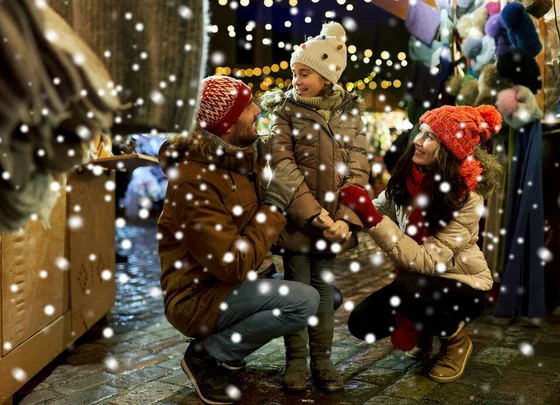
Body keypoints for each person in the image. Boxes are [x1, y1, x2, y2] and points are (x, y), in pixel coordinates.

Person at [157, 76, 320, 404]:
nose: (258, 110)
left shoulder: (238, 157)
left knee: (330, 297)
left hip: (238, 283)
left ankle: (228, 346)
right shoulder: (194, 183)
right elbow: (232, 265)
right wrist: (274, 207)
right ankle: (206, 354)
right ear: (226, 124)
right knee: (304, 301)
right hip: (198, 295)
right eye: (248, 106)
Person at [341, 105, 503, 383]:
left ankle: (456, 342)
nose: (417, 140)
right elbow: (379, 208)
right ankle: (426, 328)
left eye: (430, 137)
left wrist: (370, 218)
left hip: (464, 285)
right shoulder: (410, 178)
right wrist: (342, 217)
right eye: (420, 132)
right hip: (421, 283)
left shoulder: (467, 198)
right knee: (361, 324)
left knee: (408, 288)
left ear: (450, 150)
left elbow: (425, 261)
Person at [260, 21, 369, 392]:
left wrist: (345, 219)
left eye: (304, 73)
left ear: (326, 76)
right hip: (298, 221)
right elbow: (282, 164)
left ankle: (321, 359)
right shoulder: (285, 111)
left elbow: (359, 167)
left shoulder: (349, 113)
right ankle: (295, 361)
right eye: (294, 73)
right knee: (296, 291)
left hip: (332, 224)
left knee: (323, 290)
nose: (297, 80)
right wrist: (312, 212)